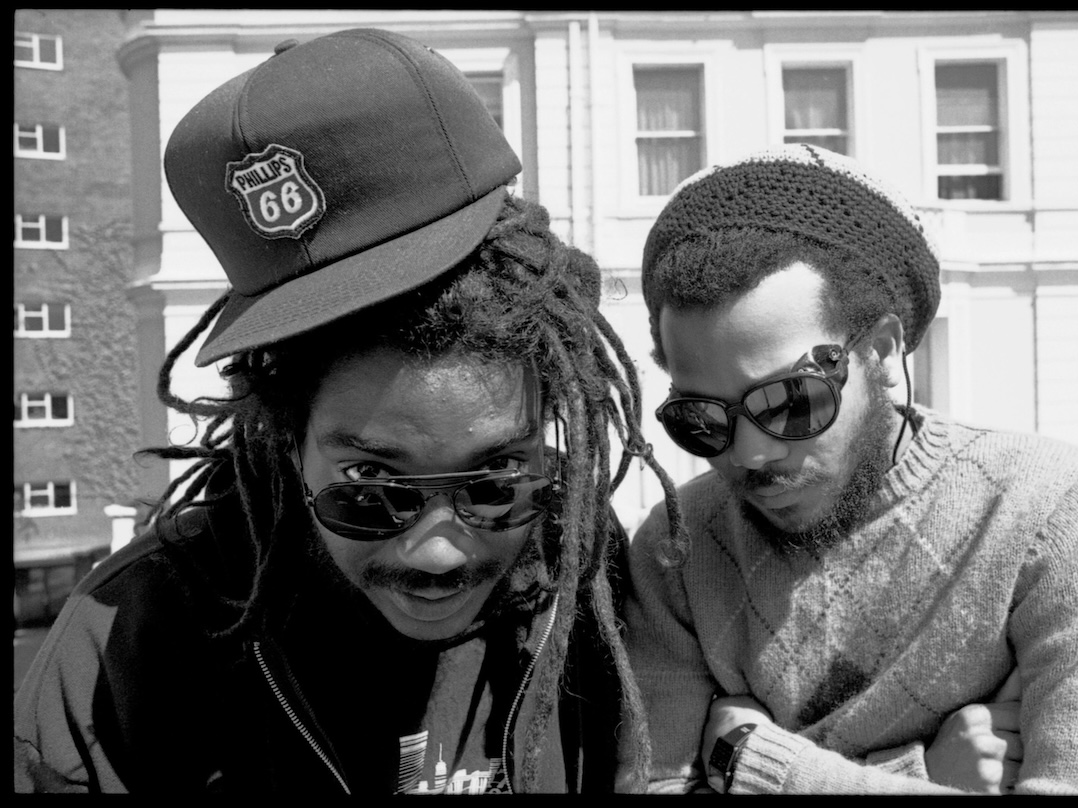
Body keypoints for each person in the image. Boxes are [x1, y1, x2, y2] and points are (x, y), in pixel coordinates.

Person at [13, 29, 680, 795]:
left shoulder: (599, 583)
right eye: (370, 486)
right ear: (287, 441)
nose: (438, 553)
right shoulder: (126, 644)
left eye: (496, 481)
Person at [617, 144, 1078, 794]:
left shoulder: (1057, 513)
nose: (750, 454)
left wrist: (750, 762)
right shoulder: (677, 551)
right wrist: (922, 774)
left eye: (791, 402)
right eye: (703, 419)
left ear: (879, 351)